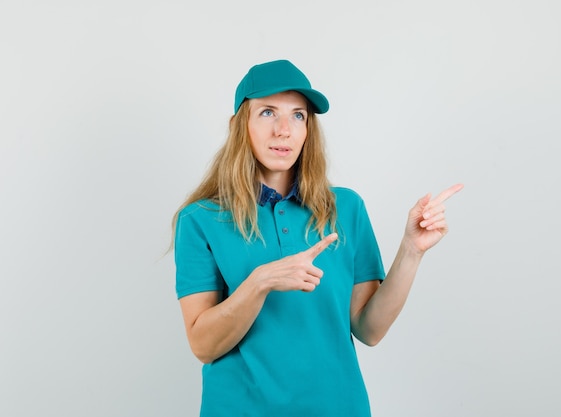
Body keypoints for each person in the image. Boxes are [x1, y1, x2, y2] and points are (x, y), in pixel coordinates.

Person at [172, 59, 463, 417]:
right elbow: (203, 345)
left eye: (298, 116)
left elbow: (369, 329)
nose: (284, 130)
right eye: (267, 113)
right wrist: (261, 281)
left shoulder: (346, 208)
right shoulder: (201, 220)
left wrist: (411, 251)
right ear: (239, 125)